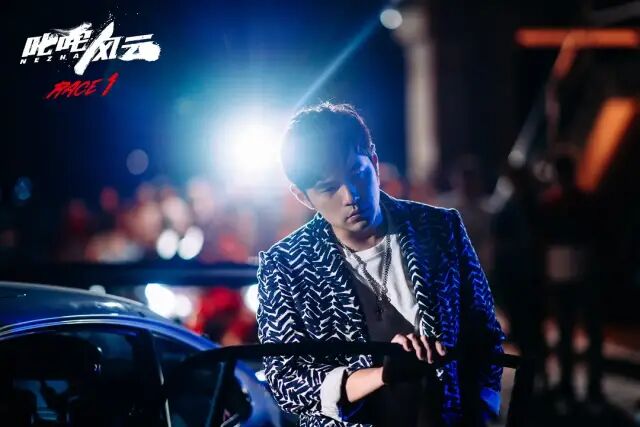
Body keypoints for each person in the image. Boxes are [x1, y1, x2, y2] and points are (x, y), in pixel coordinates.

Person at [256, 102, 505, 426]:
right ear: (302, 196)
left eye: (357, 174)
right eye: (329, 188)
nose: (350, 196)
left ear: (374, 163)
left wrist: (483, 407)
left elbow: (484, 331)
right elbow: (283, 378)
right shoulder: (286, 264)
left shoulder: (439, 227)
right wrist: (380, 375)